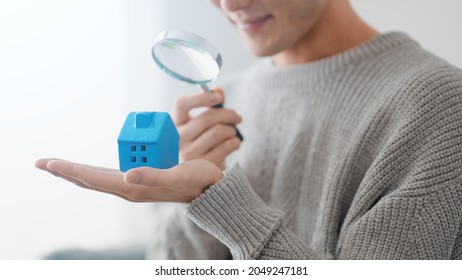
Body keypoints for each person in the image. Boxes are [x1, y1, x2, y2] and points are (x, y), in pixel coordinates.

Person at [36, 0, 462, 259]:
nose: (231, 4)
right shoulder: (227, 99)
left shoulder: (437, 105)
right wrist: (184, 203)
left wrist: (217, 200)